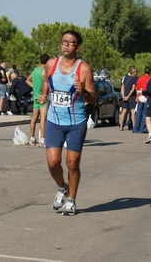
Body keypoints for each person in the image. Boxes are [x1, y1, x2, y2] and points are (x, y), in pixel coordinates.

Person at [38, 30, 97, 216]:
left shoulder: (84, 69)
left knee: (72, 163)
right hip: (54, 121)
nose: (66, 45)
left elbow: (93, 98)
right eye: (64, 41)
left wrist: (84, 92)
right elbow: (46, 82)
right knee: (53, 162)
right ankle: (62, 188)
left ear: (78, 47)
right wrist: (43, 95)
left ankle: (71, 200)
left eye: (71, 43)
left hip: (76, 122)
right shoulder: (51, 64)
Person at [26, 53, 50, 147]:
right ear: (47, 61)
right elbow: (46, 84)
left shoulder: (35, 70)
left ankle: (32, 138)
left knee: (34, 118)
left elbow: (27, 80)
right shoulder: (45, 71)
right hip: (43, 97)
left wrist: (34, 87)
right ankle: (42, 139)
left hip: (35, 97)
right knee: (43, 118)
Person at [133, 66, 151, 133]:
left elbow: (137, 88)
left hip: (140, 97)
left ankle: (136, 128)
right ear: (150, 72)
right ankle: (142, 128)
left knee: (138, 113)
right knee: (145, 114)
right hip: (147, 97)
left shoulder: (140, 79)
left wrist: (137, 96)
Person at [119, 66, 138, 130]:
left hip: (125, 97)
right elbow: (133, 89)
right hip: (131, 97)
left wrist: (123, 96)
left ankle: (121, 126)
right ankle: (134, 126)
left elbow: (122, 88)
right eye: (136, 71)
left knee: (123, 112)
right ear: (133, 72)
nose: (137, 73)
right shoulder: (134, 79)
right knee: (133, 111)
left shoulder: (125, 78)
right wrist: (128, 96)